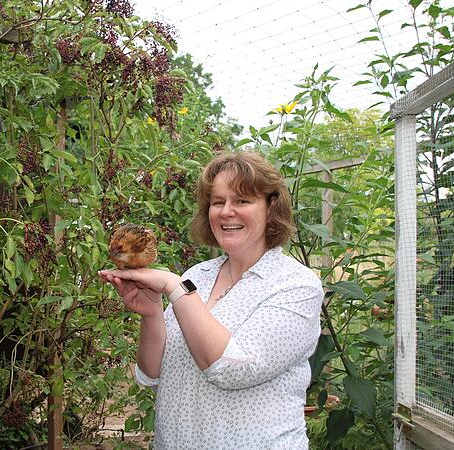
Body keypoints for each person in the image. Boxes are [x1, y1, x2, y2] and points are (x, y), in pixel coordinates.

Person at [98, 151, 324, 449]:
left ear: (271, 207)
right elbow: (152, 373)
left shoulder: (296, 285)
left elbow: (232, 369)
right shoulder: (198, 276)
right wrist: (152, 312)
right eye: (218, 202)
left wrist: (173, 285)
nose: (226, 212)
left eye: (242, 201)